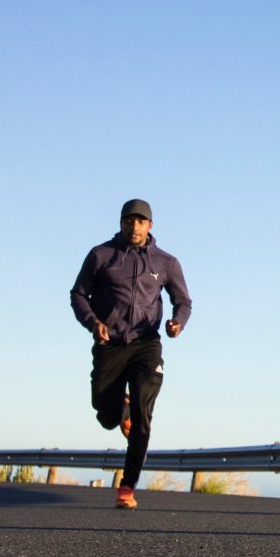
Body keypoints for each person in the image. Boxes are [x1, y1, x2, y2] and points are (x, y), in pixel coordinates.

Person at [70, 199, 192, 508]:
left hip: (146, 344)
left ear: (150, 225)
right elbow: (78, 294)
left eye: (140, 221)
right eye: (129, 220)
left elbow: (184, 301)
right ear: (121, 222)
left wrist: (178, 322)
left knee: (143, 413)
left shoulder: (166, 262)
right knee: (107, 415)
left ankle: (127, 487)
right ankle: (118, 410)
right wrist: (94, 323)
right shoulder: (101, 255)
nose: (134, 226)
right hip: (110, 344)